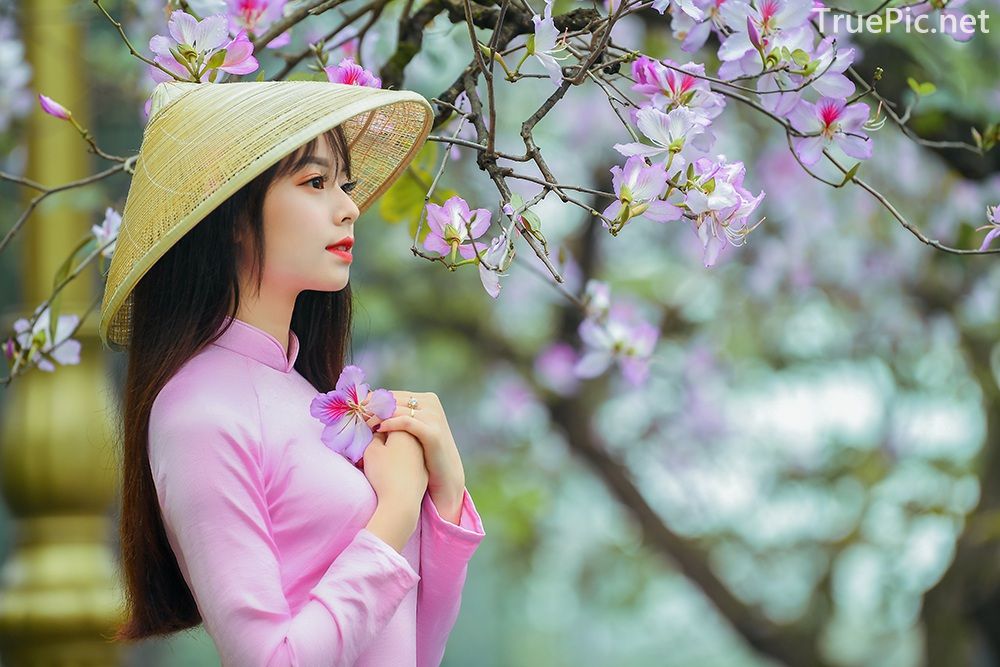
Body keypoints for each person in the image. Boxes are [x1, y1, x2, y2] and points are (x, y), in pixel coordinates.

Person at [99, 80, 486, 666]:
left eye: (344, 184)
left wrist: (446, 495)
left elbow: (415, 651)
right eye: (314, 182)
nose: (350, 206)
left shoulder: (309, 395)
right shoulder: (197, 414)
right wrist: (397, 510)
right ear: (228, 212)